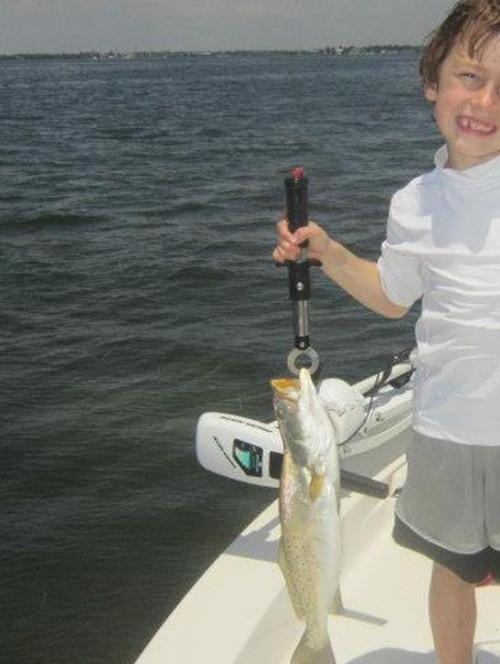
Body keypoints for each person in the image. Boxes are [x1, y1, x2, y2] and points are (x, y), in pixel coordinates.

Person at [273, 1, 500, 662]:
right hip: (445, 426)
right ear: (433, 81)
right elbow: (394, 297)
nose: (486, 102)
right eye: (470, 76)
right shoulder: (414, 203)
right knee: (452, 567)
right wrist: (328, 254)